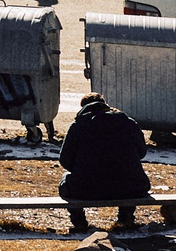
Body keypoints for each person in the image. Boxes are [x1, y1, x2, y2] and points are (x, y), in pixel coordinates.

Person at [59, 95, 152, 232]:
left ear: (84, 107)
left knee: (65, 180)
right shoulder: (128, 123)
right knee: (129, 174)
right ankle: (125, 217)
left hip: (86, 189)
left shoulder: (79, 126)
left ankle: (79, 221)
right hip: (130, 189)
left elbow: (65, 160)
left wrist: (84, 168)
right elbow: (142, 152)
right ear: (105, 105)